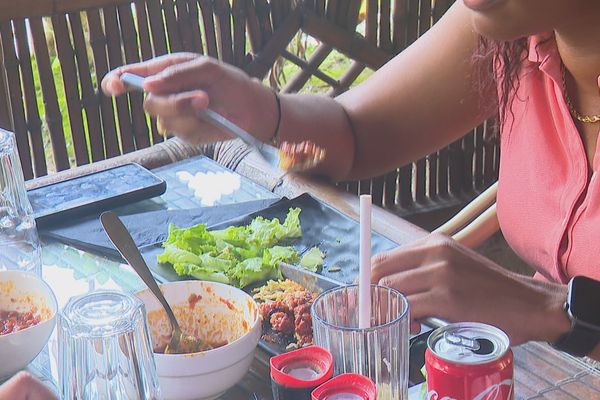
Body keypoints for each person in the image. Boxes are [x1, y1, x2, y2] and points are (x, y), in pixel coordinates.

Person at [103, 0, 600, 359]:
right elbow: (357, 134)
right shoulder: (507, 26)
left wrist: (554, 307)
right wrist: (262, 110)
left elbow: (553, 312)